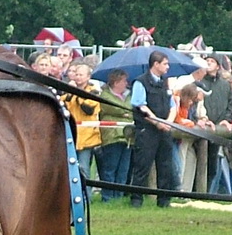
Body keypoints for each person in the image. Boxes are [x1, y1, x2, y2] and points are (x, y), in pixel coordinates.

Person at [128, 51, 179, 207]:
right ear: (155, 64)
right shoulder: (140, 82)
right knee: (142, 165)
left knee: (166, 166)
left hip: (164, 130)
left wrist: (168, 122)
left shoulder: (165, 83)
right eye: (165, 64)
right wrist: (157, 122)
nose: (168, 67)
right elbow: (140, 105)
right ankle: (136, 200)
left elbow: (172, 106)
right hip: (147, 130)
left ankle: (164, 200)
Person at [63, 59, 104, 195]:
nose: (78, 77)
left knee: (84, 168)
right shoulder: (68, 90)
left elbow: (89, 109)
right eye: (77, 74)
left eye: (81, 75)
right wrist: (70, 93)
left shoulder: (94, 92)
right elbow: (63, 103)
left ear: (88, 77)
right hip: (71, 135)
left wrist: (77, 94)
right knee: (69, 168)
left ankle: (86, 195)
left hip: (87, 137)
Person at [94, 68, 133, 201]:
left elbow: (132, 109)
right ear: (116, 82)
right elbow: (111, 107)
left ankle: (119, 196)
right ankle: (107, 197)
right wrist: (125, 112)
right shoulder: (104, 95)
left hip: (127, 137)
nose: (126, 83)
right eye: (123, 81)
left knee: (123, 169)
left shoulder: (129, 95)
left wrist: (124, 112)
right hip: (111, 136)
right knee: (110, 168)